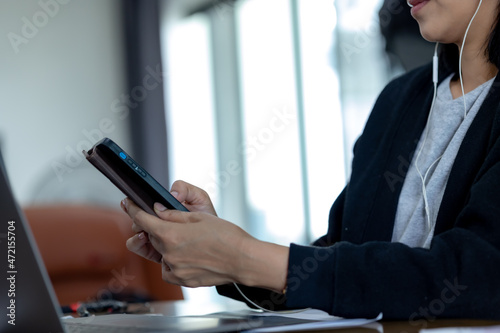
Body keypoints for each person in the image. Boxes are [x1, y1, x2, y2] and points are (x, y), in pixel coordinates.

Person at [121, 0, 500, 321]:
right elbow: (340, 261)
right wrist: (221, 257)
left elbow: (479, 273)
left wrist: (244, 256)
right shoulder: (399, 100)